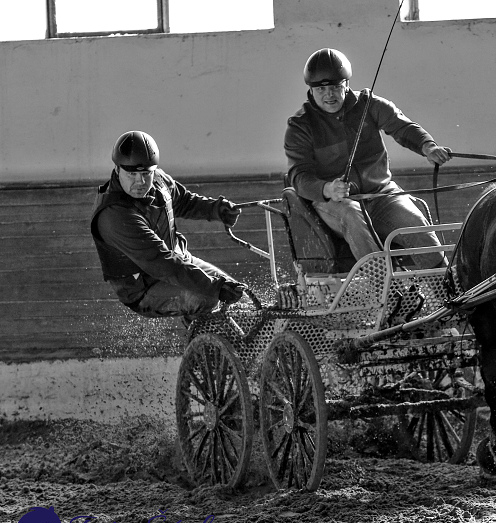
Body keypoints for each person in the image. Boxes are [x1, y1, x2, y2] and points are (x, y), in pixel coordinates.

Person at [284, 47, 452, 270]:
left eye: (335, 87)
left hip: (382, 194)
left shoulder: (369, 105)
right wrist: (327, 189)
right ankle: (387, 290)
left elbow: (401, 125)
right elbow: (298, 176)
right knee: (351, 214)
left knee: (414, 222)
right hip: (335, 203)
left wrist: (428, 147)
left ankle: (447, 288)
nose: (329, 95)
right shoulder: (300, 126)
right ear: (311, 90)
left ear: (346, 85)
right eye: (322, 89)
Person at [90, 130, 246, 319]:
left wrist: (215, 209)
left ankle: (246, 342)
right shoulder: (115, 216)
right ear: (117, 170)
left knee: (238, 295)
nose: (140, 182)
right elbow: (163, 263)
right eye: (131, 174)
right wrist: (214, 287)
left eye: (146, 173)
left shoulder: (158, 181)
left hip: (178, 262)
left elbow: (184, 201)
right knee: (206, 297)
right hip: (144, 288)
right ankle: (205, 346)